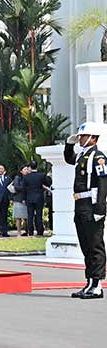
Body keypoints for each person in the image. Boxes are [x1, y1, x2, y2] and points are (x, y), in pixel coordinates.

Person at [64, 122, 107, 299]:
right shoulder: (82, 156)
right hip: (80, 205)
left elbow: (103, 184)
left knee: (95, 245)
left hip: (91, 205)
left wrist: (100, 209)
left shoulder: (98, 157)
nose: (80, 139)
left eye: (83, 136)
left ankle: (97, 285)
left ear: (93, 138)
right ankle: (89, 282)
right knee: (86, 246)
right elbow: (69, 158)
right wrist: (69, 144)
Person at [23, 161, 48, 236]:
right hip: (39, 197)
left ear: (30, 167)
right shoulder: (41, 175)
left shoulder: (26, 177)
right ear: (37, 166)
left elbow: (24, 188)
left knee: (30, 215)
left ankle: (30, 231)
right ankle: (40, 231)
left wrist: (24, 198)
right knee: (39, 215)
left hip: (29, 197)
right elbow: (47, 183)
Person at [9, 167, 29, 236]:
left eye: (27, 169)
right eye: (25, 169)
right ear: (21, 171)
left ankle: (28, 231)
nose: (26, 170)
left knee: (27, 217)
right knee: (18, 217)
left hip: (27, 199)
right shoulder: (17, 178)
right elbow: (16, 187)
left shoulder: (28, 178)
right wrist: (25, 188)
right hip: (18, 199)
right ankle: (19, 232)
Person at [0, 164, 11, 237]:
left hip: (5, 200)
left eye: (2, 168)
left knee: (4, 216)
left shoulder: (7, 178)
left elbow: (10, 188)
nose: (0, 170)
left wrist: (11, 198)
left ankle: (4, 231)